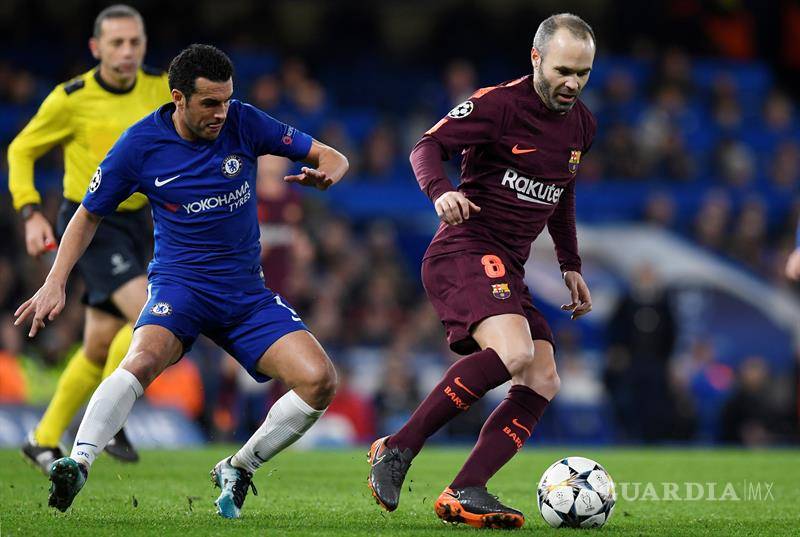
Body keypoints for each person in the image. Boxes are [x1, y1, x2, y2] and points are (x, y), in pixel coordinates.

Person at [14, 43, 349, 518]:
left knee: (320, 381)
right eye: (210, 103)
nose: (221, 112)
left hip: (245, 295)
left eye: (227, 100)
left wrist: (328, 174)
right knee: (143, 357)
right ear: (178, 98)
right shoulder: (139, 145)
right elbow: (88, 215)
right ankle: (79, 461)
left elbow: (331, 155)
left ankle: (238, 465)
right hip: (180, 287)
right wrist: (56, 281)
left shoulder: (245, 122)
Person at [368, 13, 597, 529]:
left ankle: (466, 487)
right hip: (464, 247)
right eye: (563, 70)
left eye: (583, 73)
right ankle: (397, 448)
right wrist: (440, 191)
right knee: (515, 353)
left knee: (542, 377)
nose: (573, 84)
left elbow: (562, 195)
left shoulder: (583, 124)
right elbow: (425, 146)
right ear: (536, 58)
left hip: (508, 265)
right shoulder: (498, 104)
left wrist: (570, 263)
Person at [7, 4, 171, 471]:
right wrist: (29, 212)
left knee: (99, 345)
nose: (126, 52)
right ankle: (112, 407)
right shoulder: (70, 98)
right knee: (153, 316)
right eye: (116, 43)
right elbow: (21, 149)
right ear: (96, 48)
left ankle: (42, 438)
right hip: (91, 222)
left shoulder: (161, 89)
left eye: (134, 43)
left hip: (143, 223)